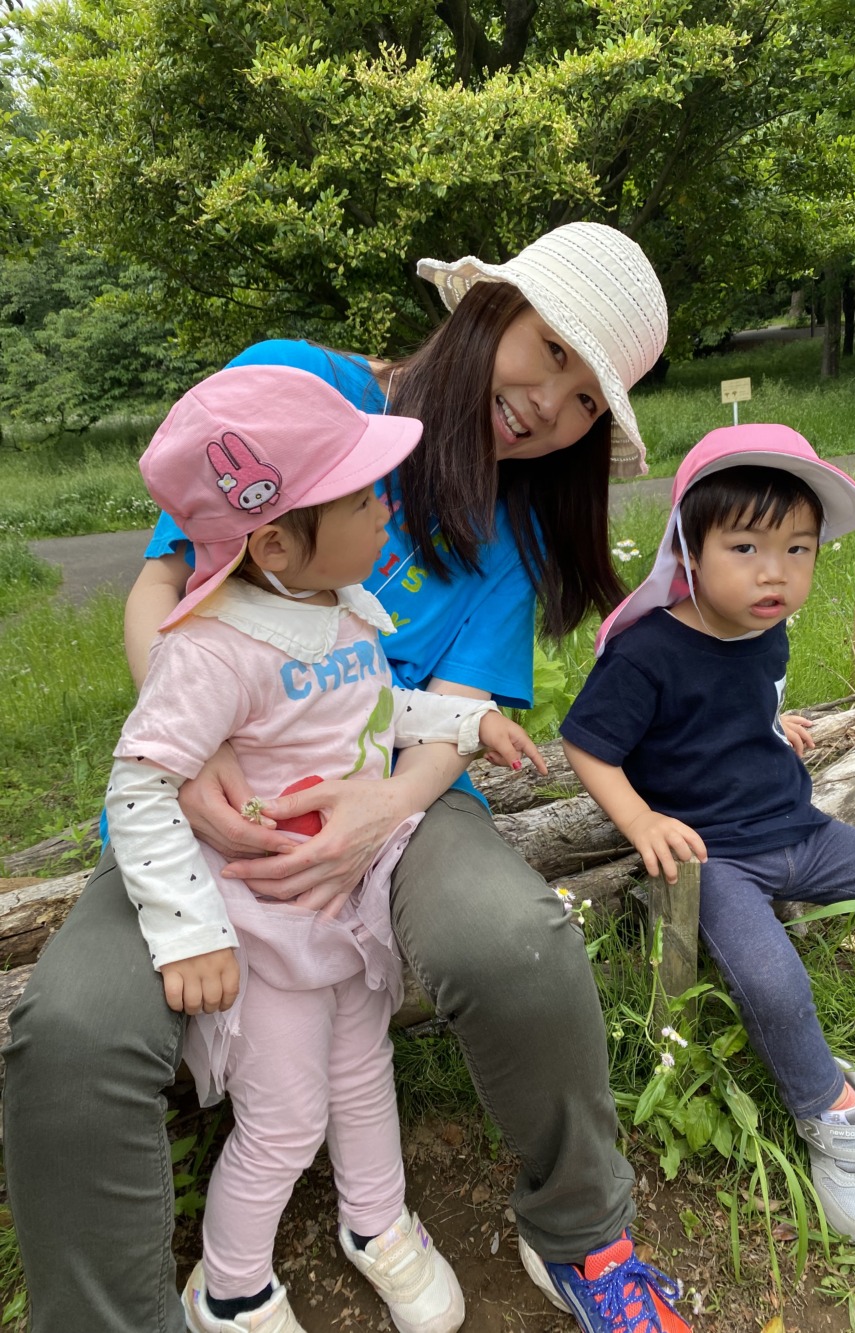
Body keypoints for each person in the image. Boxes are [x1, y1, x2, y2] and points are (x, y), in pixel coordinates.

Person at [4, 222, 693, 1333]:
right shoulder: (296, 385)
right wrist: (200, 753)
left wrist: (384, 806)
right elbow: (163, 587)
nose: (548, 406)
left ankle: (581, 1231)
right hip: (215, 782)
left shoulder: (512, 528)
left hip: (400, 783)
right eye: (554, 352)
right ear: (491, 310)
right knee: (76, 1032)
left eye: (584, 403)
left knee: (513, 943)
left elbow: (454, 711)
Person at [105, 364, 548, 1333]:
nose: (387, 508)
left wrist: (466, 725)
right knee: (284, 1115)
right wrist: (188, 933)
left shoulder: (340, 609)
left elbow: (376, 707)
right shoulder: (214, 649)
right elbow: (139, 783)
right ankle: (229, 1287)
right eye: (360, 498)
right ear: (273, 541)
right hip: (263, 925)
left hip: (340, 902)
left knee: (362, 1070)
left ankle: (375, 1219)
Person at [560, 422, 855, 1247]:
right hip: (715, 853)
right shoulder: (648, 652)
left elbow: (740, 695)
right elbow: (588, 742)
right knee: (772, 979)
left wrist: (770, 720)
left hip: (801, 827)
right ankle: (830, 1108)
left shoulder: (765, 628)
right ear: (689, 548)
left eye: (799, 549)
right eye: (747, 547)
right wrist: (641, 819)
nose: (776, 572)